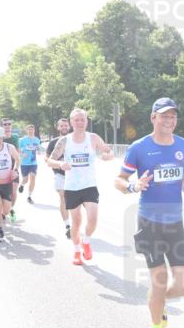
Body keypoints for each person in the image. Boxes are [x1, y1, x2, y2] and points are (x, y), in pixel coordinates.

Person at [116, 98, 184, 328]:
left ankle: (157, 300)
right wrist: (133, 186)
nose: (169, 120)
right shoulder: (138, 148)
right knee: (160, 280)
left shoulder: (182, 145)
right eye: (164, 116)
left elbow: (180, 173)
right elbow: (119, 180)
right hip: (149, 223)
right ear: (153, 118)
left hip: (175, 223)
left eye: (173, 116)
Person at [47, 108, 115, 265]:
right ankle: (77, 251)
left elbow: (109, 152)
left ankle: (86, 241)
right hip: (71, 187)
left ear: (86, 122)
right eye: (76, 120)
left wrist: (108, 156)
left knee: (93, 219)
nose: (79, 123)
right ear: (71, 122)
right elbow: (50, 160)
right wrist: (60, 163)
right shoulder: (64, 141)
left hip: (89, 185)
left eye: (82, 120)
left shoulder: (93, 138)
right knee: (76, 222)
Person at [46, 117, 72, 239]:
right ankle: (68, 226)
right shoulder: (53, 142)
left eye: (66, 125)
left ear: (69, 126)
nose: (64, 128)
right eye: (61, 126)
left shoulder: (75, 140)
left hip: (75, 175)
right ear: (58, 128)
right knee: (63, 197)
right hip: (60, 174)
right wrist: (58, 163)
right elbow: (47, 159)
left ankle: (75, 222)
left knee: (75, 200)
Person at [2, 119, 21, 223]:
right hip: (1, 170)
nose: (8, 126)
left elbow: (17, 153)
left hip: (13, 168)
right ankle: (3, 210)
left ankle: (11, 209)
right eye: (5, 124)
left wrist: (15, 168)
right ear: (2, 126)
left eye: (9, 124)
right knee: (3, 193)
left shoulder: (15, 137)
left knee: (13, 192)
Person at [18, 125, 42, 204]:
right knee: (25, 179)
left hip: (33, 162)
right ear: (26, 131)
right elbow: (17, 149)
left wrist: (39, 151)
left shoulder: (37, 140)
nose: (30, 131)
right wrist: (22, 154)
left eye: (32, 129)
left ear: (34, 130)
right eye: (29, 130)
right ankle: (22, 184)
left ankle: (29, 196)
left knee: (33, 176)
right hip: (24, 163)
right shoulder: (22, 140)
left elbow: (39, 148)